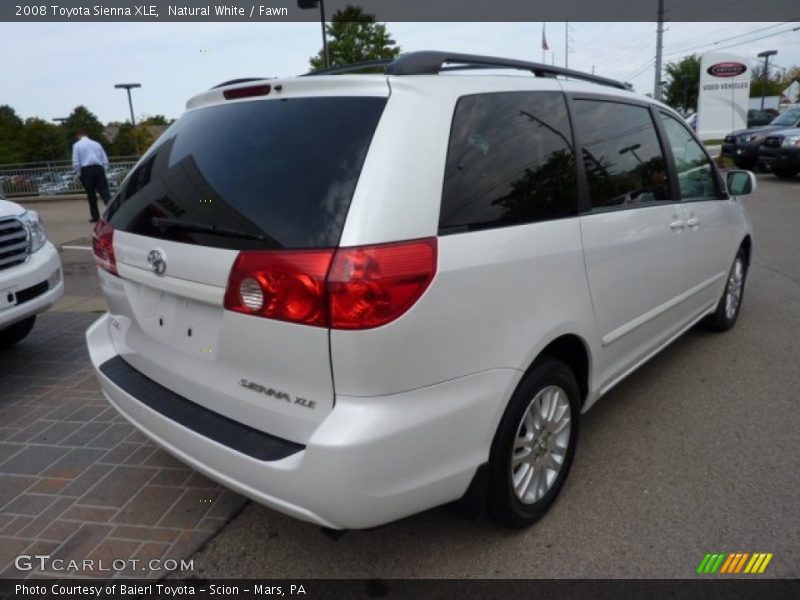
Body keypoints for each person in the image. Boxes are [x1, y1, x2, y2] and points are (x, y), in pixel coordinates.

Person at [72, 130, 111, 223]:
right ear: (87, 135)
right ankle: (113, 212)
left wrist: (79, 173)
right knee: (105, 193)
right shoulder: (97, 144)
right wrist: (104, 169)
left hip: (86, 170)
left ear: (79, 136)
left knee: (91, 195)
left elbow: (76, 162)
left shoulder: (77, 145)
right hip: (99, 168)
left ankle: (95, 216)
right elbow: (104, 158)